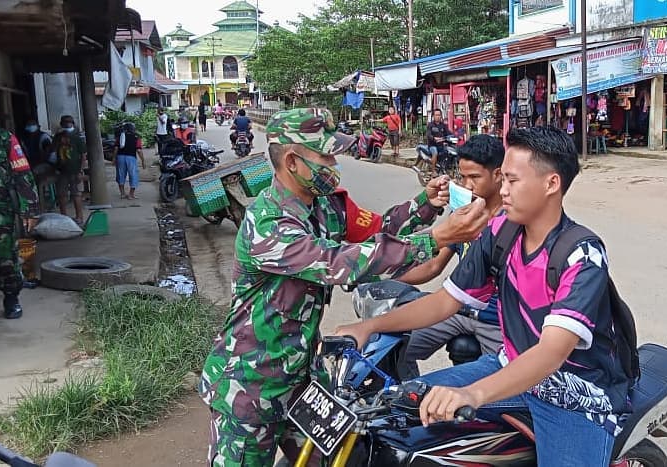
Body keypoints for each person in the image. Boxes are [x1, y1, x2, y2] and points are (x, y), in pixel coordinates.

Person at [197, 107, 490, 466]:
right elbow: (341, 263)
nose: (334, 163)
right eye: (325, 155)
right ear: (292, 161)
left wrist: (425, 204)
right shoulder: (267, 223)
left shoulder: (326, 208)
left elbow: (379, 231)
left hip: (303, 380)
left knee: (342, 459)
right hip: (249, 385)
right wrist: (434, 239)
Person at [335, 126, 629, 466]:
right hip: (509, 366)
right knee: (393, 417)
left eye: (512, 181)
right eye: (501, 179)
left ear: (551, 184)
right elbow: (446, 301)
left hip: (574, 393)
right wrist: (369, 326)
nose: (502, 190)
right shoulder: (500, 231)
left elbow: (551, 352)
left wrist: (472, 393)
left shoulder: (581, 253)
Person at [395, 135, 506, 374]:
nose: (467, 186)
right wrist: (384, 275)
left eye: (475, 177)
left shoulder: (514, 219)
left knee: (501, 390)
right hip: (454, 309)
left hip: (497, 323)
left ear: (498, 175)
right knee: (388, 345)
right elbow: (432, 266)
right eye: (463, 176)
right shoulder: (464, 214)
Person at [0, 125, 40, 319]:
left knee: (4, 256)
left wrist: (30, 209)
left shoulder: (3, 137)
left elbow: (22, 173)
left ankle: (11, 297)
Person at [52, 115, 85, 225]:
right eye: (65, 122)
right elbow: (53, 153)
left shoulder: (77, 137)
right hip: (61, 170)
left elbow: (83, 155)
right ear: (62, 124)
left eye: (69, 122)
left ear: (72, 123)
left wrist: (81, 171)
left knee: (76, 194)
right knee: (62, 195)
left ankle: (79, 217)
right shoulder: (57, 137)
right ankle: (64, 217)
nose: (67, 124)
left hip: (74, 170)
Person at [116, 122, 146, 200]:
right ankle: (131, 194)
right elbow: (139, 150)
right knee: (133, 175)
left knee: (120, 175)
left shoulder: (120, 136)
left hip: (120, 157)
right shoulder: (136, 137)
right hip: (131, 158)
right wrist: (143, 160)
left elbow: (116, 148)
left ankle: (122, 194)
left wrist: (113, 159)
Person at [426, 109, 452, 175]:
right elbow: (428, 134)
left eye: (439, 115)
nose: (438, 116)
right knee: (435, 153)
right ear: (433, 116)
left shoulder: (443, 125)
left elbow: (448, 133)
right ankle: (433, 171)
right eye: (436, 115)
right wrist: (434, 138)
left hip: (441, 145)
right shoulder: (430, 125)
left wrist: (455, 136)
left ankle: (445, 167)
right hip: (432, 145)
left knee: (448, 152)